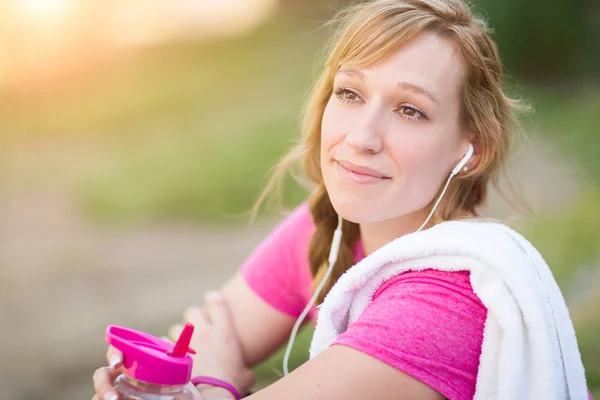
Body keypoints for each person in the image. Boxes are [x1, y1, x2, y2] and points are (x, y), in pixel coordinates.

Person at [92, 0, 592, 399]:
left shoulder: (446, 301)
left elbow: (206, 363)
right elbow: (195, 341)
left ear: (471, 148)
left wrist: (216, 384)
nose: (362, 137)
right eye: (350, 94)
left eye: (410, 110)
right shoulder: (326, 231)